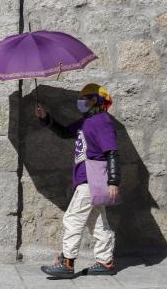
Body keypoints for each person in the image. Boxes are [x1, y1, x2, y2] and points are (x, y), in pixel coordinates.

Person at [34, 83, 121, 278]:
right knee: (97, 221)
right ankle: (105, 262)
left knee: (72, 218)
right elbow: (65, 132)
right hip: (87, 178)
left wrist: (114, 180)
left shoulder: (101, 121)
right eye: (81, 97)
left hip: (92, 178)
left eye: (86, 97)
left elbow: (112, 151)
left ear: (97, 101)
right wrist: (45, 118)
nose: (81, 101)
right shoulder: (86, 122)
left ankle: (67, 263)